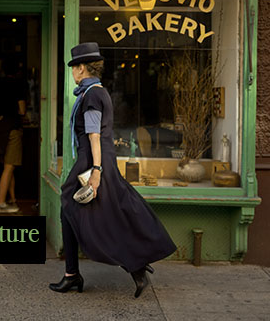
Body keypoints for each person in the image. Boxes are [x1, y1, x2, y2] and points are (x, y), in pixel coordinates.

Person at [49, 42, 176, 298]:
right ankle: (75, 274)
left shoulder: (93, 95)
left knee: (84, 211)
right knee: (94, 213)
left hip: (92, 159)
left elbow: (94, 135)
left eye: (74, 67)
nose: (73, 71)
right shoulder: (95, 92)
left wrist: (95, 169)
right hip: (98, 158)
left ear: (82, 68)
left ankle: (125, 267)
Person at [0, 57, 27, 214]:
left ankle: (12, 199)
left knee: (7, 167)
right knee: (9, 167)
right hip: (12, 129)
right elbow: (22, 110)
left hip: (0, 130)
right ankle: (0, 203)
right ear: (18, 70)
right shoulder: (19, 84)